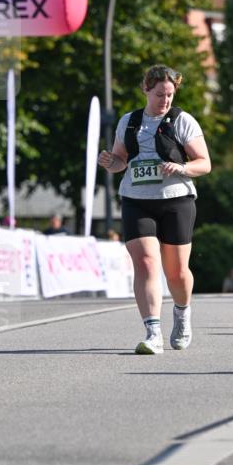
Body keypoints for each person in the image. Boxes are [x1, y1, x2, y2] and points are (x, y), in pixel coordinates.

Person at [98, 64, 211, 354]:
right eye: (160, 94)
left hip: (176, 199)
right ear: (146, 89)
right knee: (147, 262)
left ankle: (182, 313)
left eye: (170, 95)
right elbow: (122, 160)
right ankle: (153, 333)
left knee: (176, 272)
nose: (166, 100)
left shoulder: (183, 121)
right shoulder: (130, 121)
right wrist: (112, 163)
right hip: (137, 199)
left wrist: (182, 167)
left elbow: (204, 163)